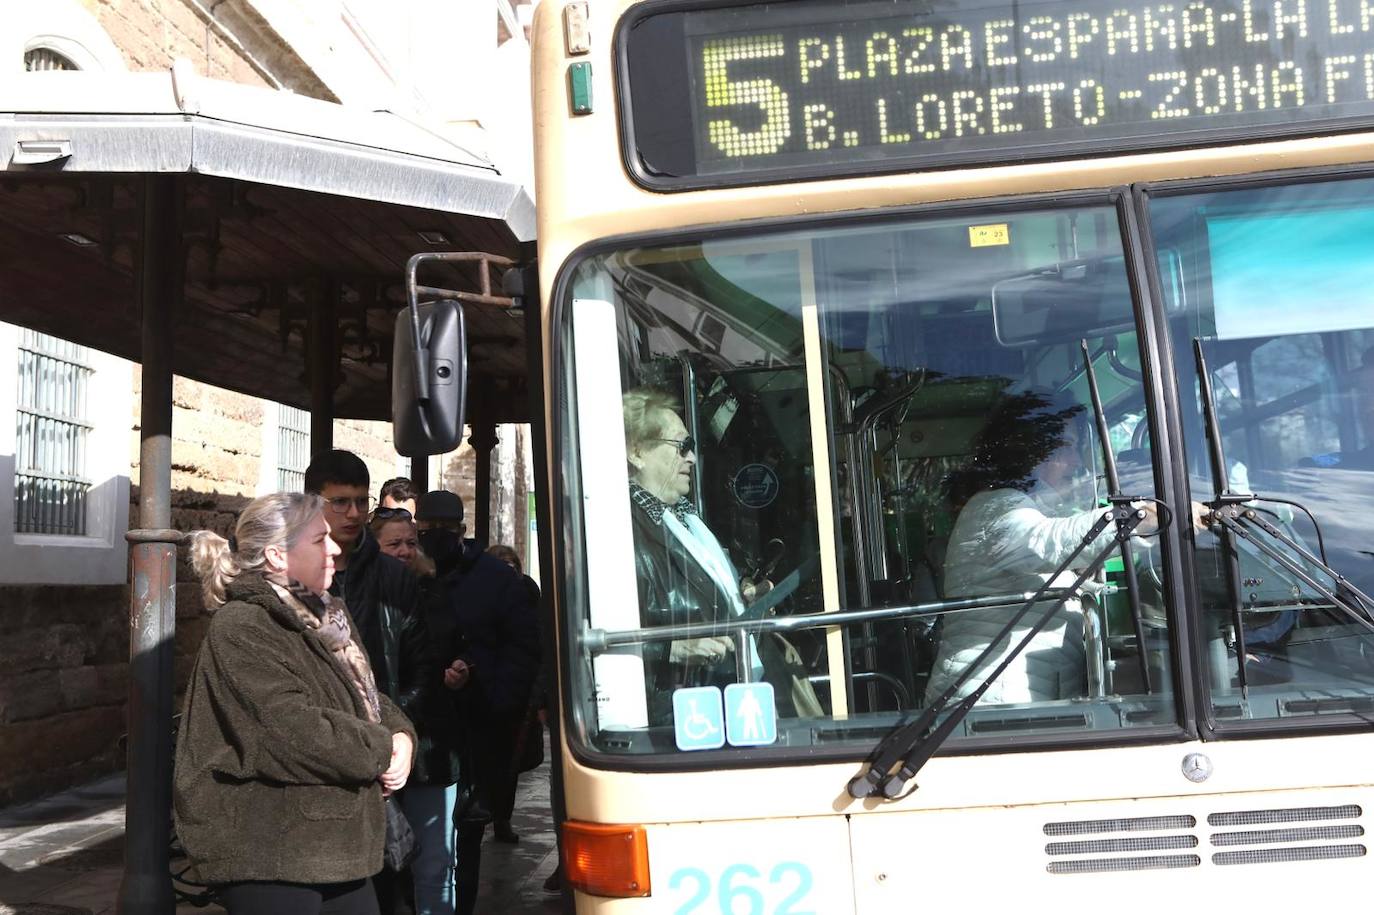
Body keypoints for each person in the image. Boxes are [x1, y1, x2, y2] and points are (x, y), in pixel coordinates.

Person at [174, 492, 416, 915]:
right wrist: (382, 747)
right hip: (271, 849)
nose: (336, 549)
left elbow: (362, 693)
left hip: (332, 845)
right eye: (320, 540)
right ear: (276, 555)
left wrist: (402, 735)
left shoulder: (326, 614)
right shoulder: (244, 625)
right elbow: (290, 731)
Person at [926, 390, 1168, 705]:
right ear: (1031, 449)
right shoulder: (994, 506)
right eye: (1067, 448)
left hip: (1017, 697)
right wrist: (1143, 516)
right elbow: (1046, 542)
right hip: (992, 702)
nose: (1077, 462)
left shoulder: (1020, 506)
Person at [623, 388, 806, 725]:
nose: (692, 458)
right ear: (637, 452)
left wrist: (745, 591)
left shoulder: (684, 519)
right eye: (682, 447)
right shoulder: (622, 529)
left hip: (730, 694)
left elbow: (706, 590)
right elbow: (600, 633)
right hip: (684, 712)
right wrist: (673, 648)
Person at [304, 451, 431, 914]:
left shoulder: (394, 577)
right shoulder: (292, 575)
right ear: (312, 503)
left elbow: (420, 667)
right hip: (314, 753)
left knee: (388, 885)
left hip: (381, 754)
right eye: (340, 502)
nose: (354, 513)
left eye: (360, 502)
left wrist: (393, 733)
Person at [417, 491, 541, 849]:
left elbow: (521, 645)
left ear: (462, 530)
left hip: (478, 721)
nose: (436, 534)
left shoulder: (495, 578)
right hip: (420, 720)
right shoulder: (405, 570)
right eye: (429, 527)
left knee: (468, 831)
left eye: (446, 527)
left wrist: (493, 693)